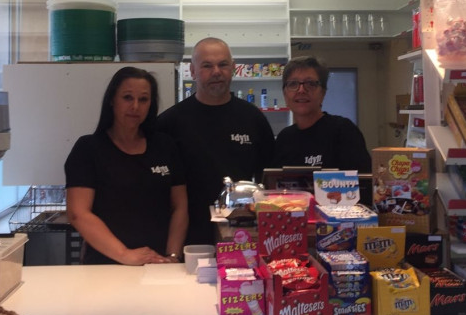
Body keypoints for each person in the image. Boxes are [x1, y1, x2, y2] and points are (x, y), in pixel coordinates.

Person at [65, 66, 188, 265]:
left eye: (143, 99)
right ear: (112, 100)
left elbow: (179, 207)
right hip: (105, 266)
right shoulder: (88, 149)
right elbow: (78, 213)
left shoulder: (165, 146)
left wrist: (172, 256)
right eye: (127, 97)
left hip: (159, 264)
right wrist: (125, 255)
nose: (135, 107)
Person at [157, 37, 274, 245]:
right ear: (192, 71)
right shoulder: (169, 122)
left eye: (223, 64)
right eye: (207, 66)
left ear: (234, 68)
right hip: (185, 237)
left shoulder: (253, 118)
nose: (216, 72)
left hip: (241, 234)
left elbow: (269, 181)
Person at [272, 56, 372, 203]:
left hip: (337, 223)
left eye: (310, 84)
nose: (301, 90)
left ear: (323, 92)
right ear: (285, 94)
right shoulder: (284, 139)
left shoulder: (343, 131)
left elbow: (364, 189)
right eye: (293, 84)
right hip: (292, 220)